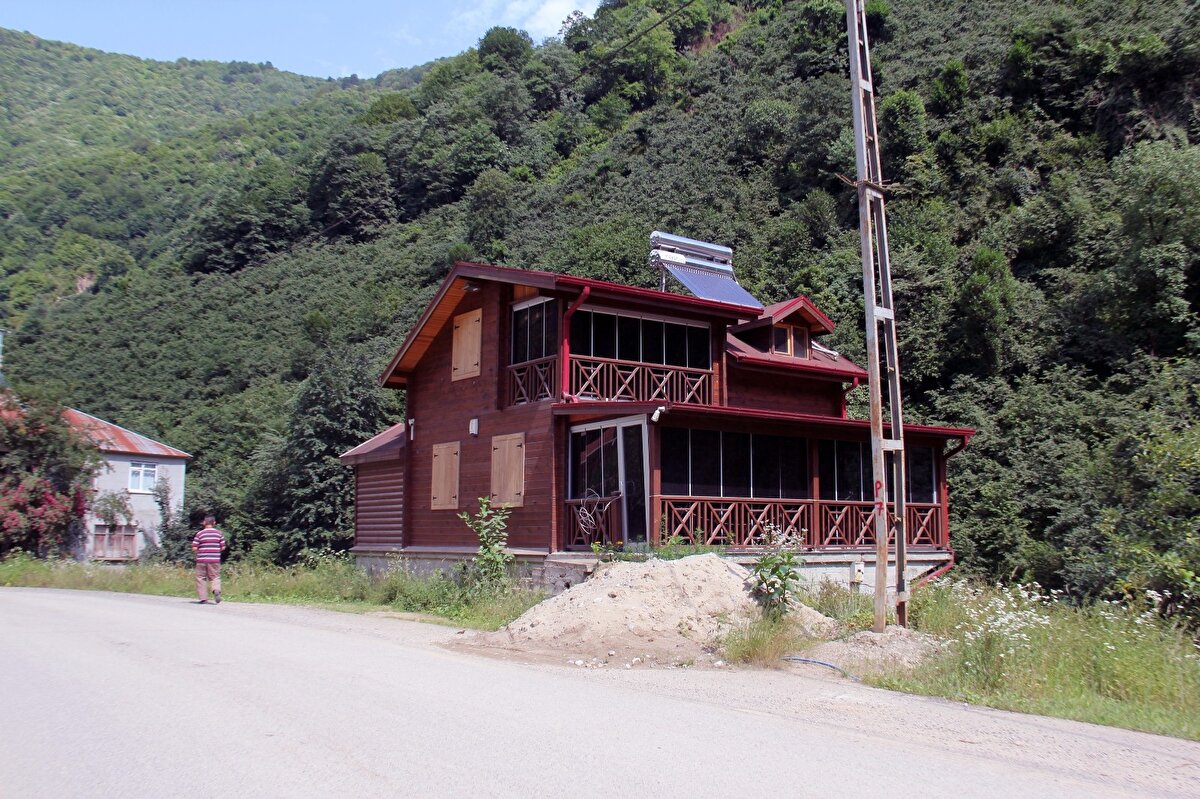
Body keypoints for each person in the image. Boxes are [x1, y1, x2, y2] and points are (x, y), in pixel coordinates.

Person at [191, 515, 227, 604]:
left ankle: (203, 598)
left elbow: (194, 548)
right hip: (214, 559)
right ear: (214, 523)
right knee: (215, 577)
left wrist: (201, 551)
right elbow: (223, 547)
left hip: (201, 560)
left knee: (201, 578)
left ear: (204, 523)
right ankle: (216, 590)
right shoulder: (219, 533)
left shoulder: (199, 534)